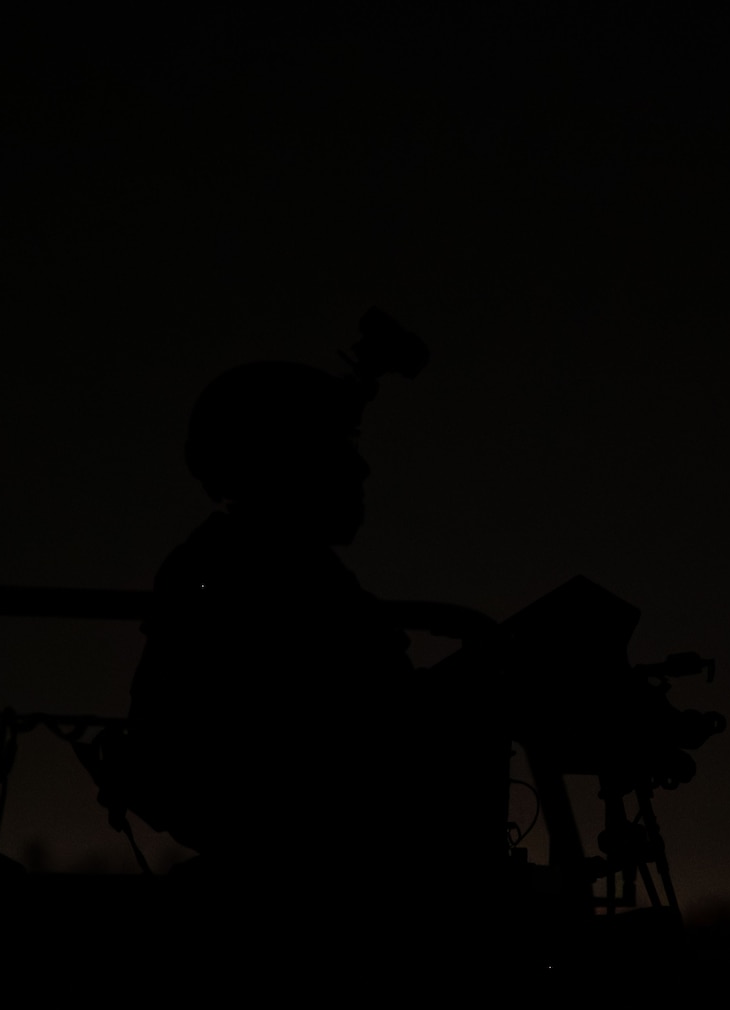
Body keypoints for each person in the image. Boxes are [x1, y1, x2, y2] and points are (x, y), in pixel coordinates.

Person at [118, 358, 507, 961]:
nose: (360, 467)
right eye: (335, 447)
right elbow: (349, 734)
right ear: (284, 462)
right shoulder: (264, 579)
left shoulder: (249, 568)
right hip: (315, 902)